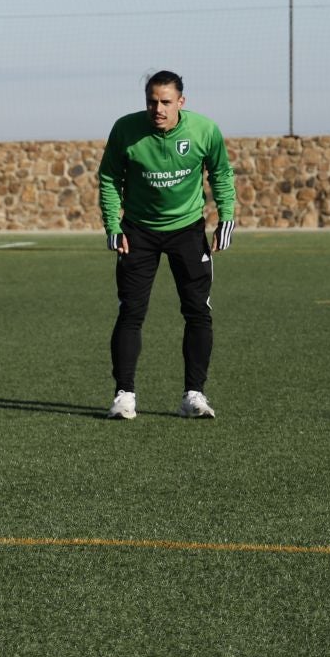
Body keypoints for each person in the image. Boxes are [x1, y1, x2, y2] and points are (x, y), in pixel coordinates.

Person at [97, 70, 236, 420]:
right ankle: (124, 396)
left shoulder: (204, 130)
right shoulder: (125, 130)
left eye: (165, 102)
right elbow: (110, 177)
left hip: (187, 231)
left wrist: (226, 218)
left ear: (181, 102)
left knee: (198, 311)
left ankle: (194, 396)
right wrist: (113, 225)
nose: (157, 109)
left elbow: (221, 173)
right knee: (131, 312)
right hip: (138, 233)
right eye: (151, 102)